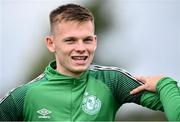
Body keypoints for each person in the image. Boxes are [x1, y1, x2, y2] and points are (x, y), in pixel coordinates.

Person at [0, 3, 165, 121]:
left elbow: (170, 103)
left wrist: (165, 84)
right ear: (51, 44)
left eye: (87, 40)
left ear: (95, 41)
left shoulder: (113, 80)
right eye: (70, 40)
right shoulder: (24, 96)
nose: (81, 48)